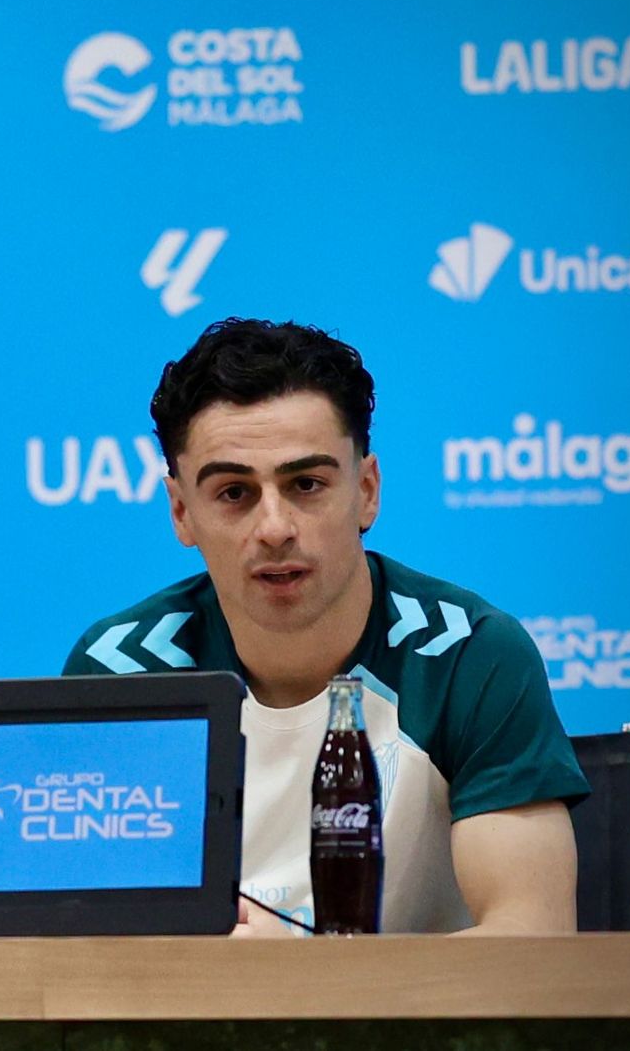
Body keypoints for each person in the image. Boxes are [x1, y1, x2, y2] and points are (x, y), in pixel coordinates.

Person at [62, 318, 589, 935]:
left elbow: (533, 938)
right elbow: (83, 942)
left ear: (366, 491)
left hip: (409, 1005)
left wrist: (304, 976)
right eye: (234, 493)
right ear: (181, 511)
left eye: (306, 484)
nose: (274, 528)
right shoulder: (121, 672)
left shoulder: (468, 655)